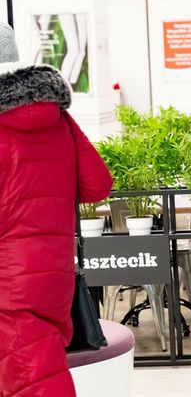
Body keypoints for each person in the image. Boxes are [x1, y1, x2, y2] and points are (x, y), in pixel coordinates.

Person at [0, 23, 114, 397]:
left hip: (9, 282)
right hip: (54, 273)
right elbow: (98, 185)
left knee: (34, 379)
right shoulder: (58, 118)